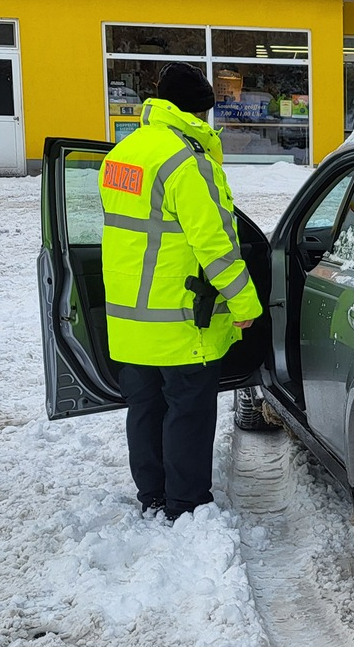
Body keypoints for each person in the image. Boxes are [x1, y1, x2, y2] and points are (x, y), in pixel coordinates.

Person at [98, 63, 262, 521]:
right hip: (182, 319)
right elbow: (215, 244)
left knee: (144, 409)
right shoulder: (186, 161)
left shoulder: (122, 154)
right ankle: (186, 503)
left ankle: (151, 494)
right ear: (196, 112)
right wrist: (244, 304)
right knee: (187, 411)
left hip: (130, 319)